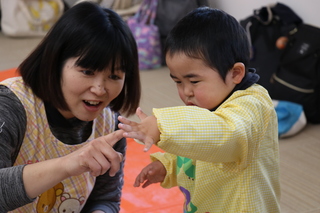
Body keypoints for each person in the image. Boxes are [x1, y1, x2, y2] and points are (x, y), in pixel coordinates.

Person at [118, 7, 281, 213]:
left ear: (236, 73)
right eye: (178, 81)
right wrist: (167, 166)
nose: (186, 92)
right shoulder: (207, 104)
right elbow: (195, 147)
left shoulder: (253, 105)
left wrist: (162, 125)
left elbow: (222, 135)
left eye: (194, 81)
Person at [0, 2, 140, 212]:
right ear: (55, 62)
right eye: (87, 71)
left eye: (114, 76)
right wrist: (69, 164)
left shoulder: (110, 123)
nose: (100, 89)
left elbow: (106, 199)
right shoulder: (11, 106)